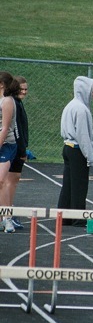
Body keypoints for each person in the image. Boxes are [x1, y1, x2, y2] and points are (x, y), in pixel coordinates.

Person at [57, 76, 93, 227]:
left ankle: (64, 216)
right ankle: (78, 217)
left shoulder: (70, 105)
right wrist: (90, 156)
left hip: (67, 146)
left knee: (68, 184)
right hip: (77, 149)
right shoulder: (81, 110)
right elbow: (83, 135)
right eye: (91, 91)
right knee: (79, 185)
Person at [2, 76, 30, 231]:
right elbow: (16, 128)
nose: (24, 92)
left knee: (13, 180)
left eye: (26, 89)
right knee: (9, 181)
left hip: (18, 145)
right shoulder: (13, 103)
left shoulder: (18, 103)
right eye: (21, 89)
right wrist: (22, 150)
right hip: (14, 147)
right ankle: (7, 214)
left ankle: (8, 213)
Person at [0, 72, 20, 233]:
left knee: (1, 180)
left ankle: (7, 218)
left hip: (6, 144)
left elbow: (5, 128)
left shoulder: (7, 101)